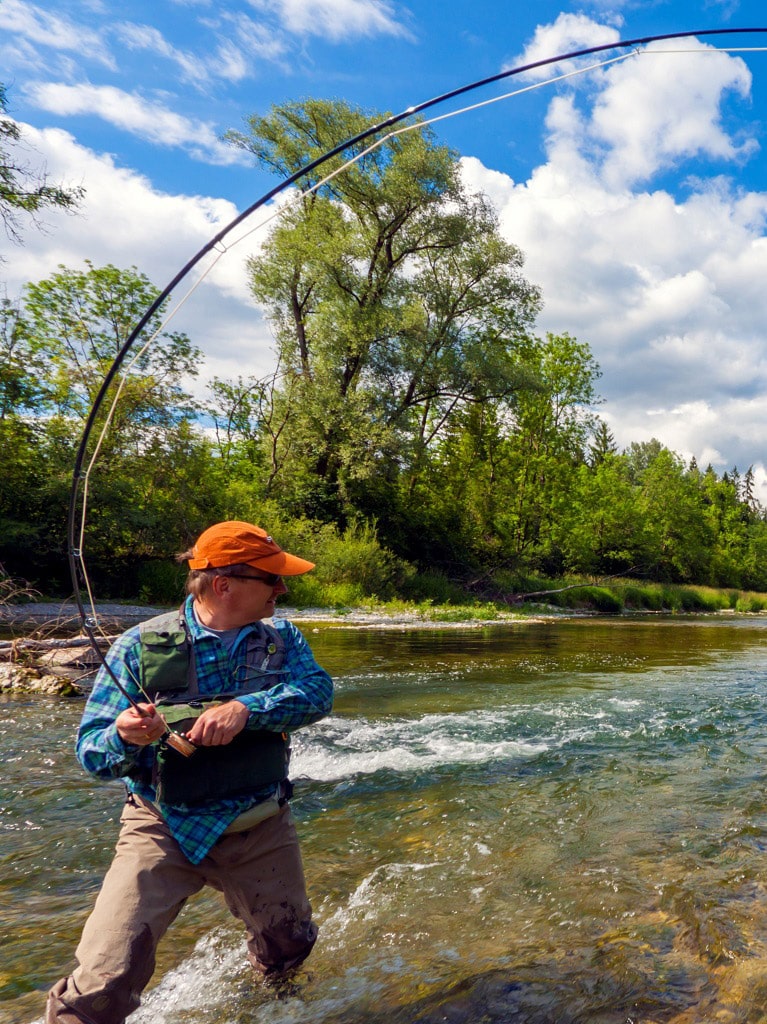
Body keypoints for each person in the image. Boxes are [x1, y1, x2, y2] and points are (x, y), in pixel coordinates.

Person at [47, 520, 333, 1024]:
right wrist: (124, 736)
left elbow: (317, 694)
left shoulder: (284, 640)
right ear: (224, 584)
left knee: (288, 950)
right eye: (272, 578)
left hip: (259, 824)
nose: (283, 589)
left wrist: (248, 708)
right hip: (161, 827)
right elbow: (92, 754)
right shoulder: (138, 647)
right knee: (102, 983)